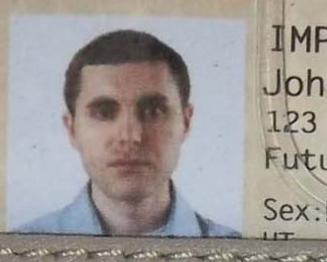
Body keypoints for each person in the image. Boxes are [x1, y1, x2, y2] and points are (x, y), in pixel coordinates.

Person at [16, 29, 240, 237]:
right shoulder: (20, 250)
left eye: (153, 111)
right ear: (71, 128)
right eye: (103, 112)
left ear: (186, 121)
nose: (130, 136)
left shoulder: (236, 253)